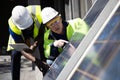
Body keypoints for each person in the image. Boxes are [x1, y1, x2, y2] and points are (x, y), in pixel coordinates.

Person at [7, 5, 49, 80]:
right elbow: (21, 48)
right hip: (21, 35)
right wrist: (36, 61)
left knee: (43, 49)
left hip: (36, 32)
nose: (28, 28)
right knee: (15, 54)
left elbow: (41, 34)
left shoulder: (39, 14)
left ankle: (47, 76)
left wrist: (35, 45)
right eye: (26, 27)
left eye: (29, 26)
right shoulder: (13, 26)